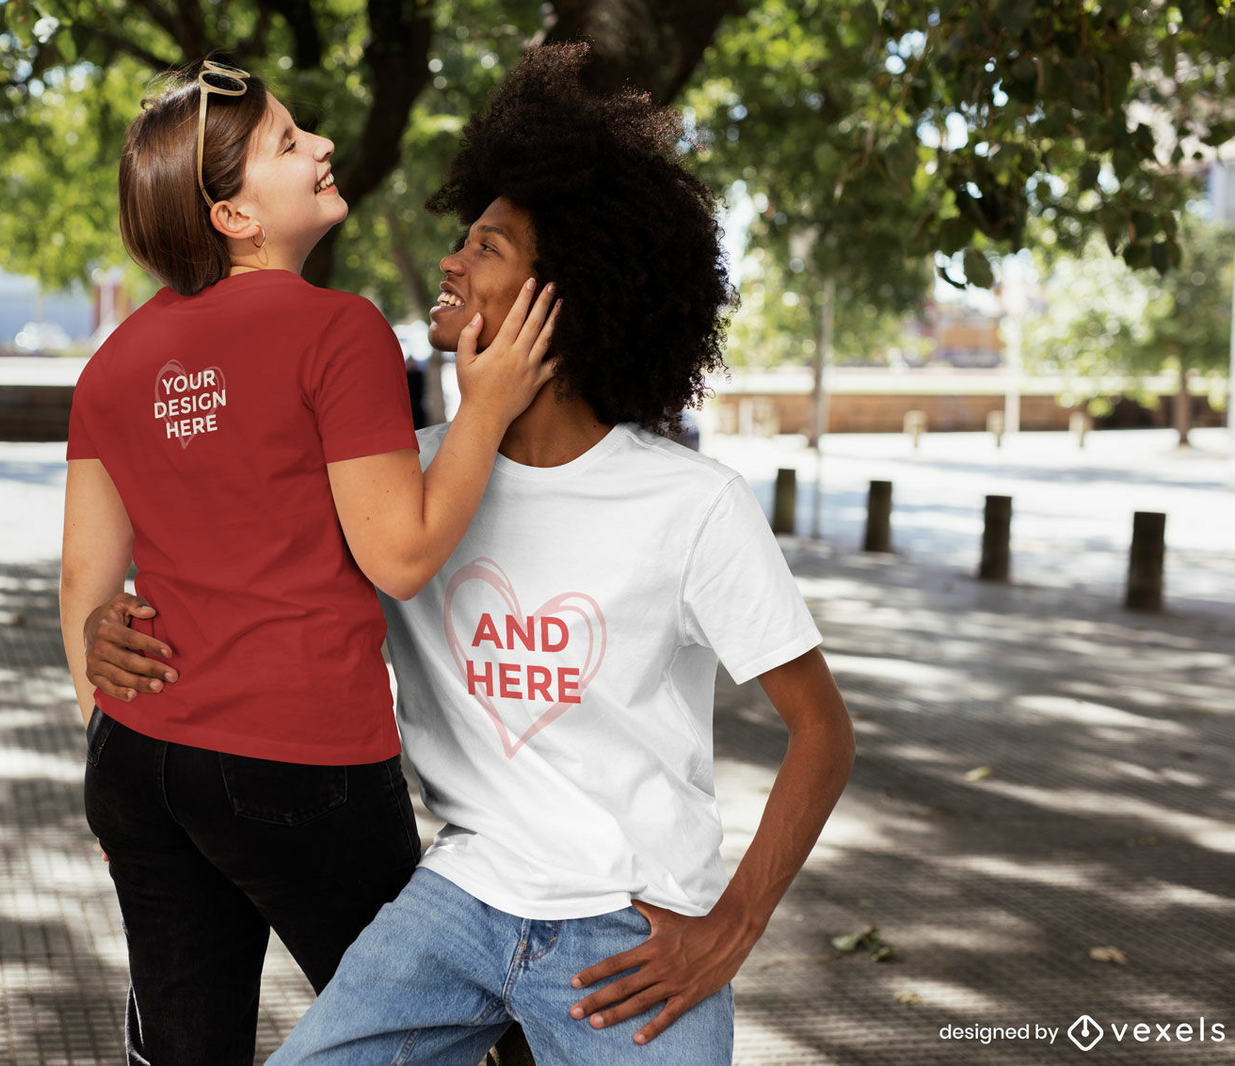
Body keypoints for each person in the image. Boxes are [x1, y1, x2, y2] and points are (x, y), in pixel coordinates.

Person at [84, 43, 855, 1065]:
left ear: (562, 295)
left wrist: (731, 926)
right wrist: (110, 626)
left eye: (483, 246)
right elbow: (246, 542)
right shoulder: (400, 484)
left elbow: (822, 732)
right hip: (460, 901)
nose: (448, 261)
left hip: (628, 929)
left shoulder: (689, 502)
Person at [59, 58, 557, 1066]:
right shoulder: (340, 330)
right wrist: (488, 406)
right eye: (289, 143)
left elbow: (83, 590)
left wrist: (117, 762)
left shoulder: (111, 362)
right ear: (233, 214)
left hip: (138, 766)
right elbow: (403, 552)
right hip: (297, 766)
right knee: (445, 1025)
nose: (323, 145)